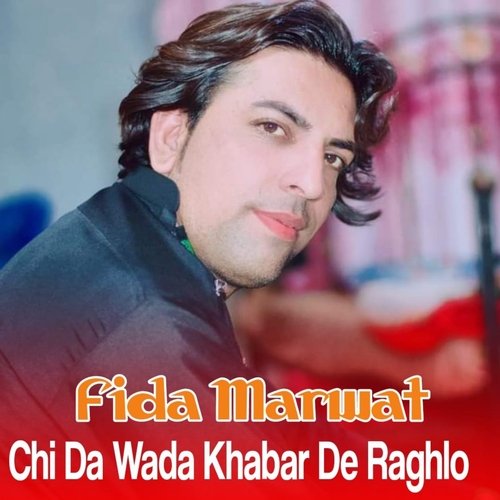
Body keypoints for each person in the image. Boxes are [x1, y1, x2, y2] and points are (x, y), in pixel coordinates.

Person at [0, 1, 396, 497]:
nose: (313, 183)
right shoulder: (147, 321)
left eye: (333, 157)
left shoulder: (121, 238)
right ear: (171, 137)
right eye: (273, 128)